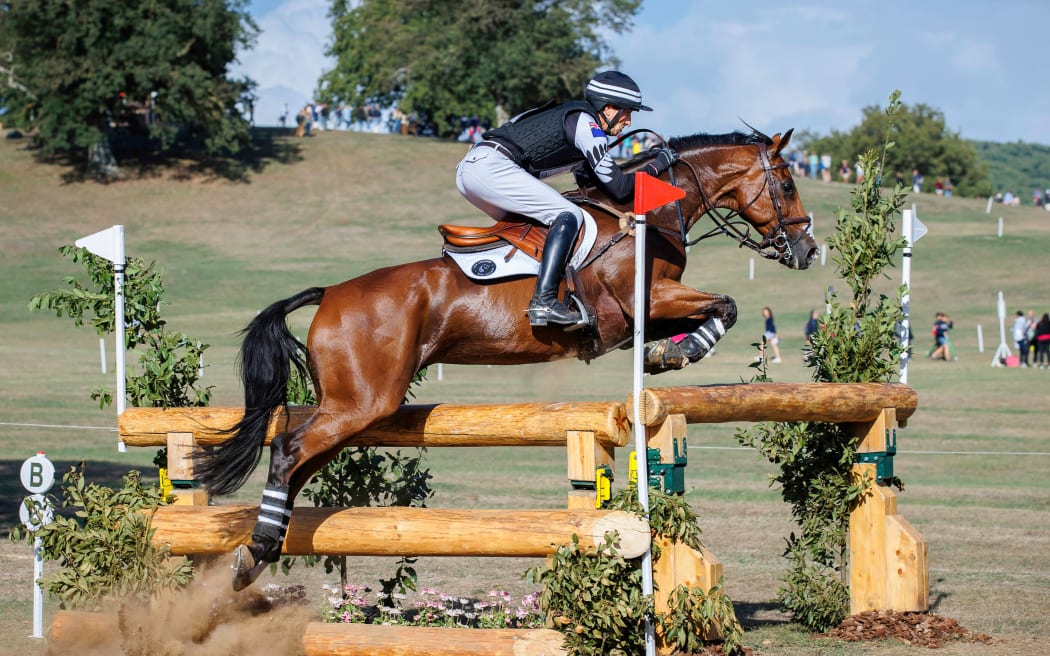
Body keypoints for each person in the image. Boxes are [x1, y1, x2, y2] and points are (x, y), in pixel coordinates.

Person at [456, 71, 677, 327]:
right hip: (492, 168)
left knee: (534, 230)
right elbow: (619, 188)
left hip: (475, 169)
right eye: (627, 113)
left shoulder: (576, 121)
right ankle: (544, 302)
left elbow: (592, 186)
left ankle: (519, 294)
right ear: (608, 108)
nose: (628, 122)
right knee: (569, 214)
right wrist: (657, 165)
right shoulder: (587, 125)